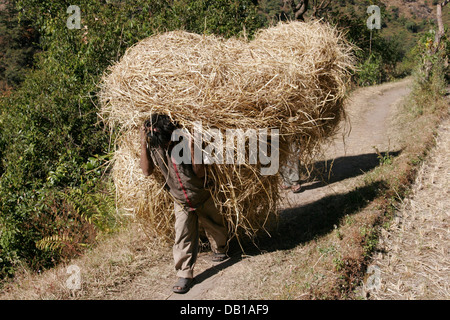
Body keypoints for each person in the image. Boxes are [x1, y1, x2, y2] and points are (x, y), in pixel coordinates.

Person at [139, 114, 229, 294]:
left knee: (217, 227)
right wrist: (143, 144)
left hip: (202, 194)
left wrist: (193, 147)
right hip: (180, 200)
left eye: (165, 143)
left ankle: (221, 247)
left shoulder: (184, 140)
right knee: (182, 235)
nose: (163, 147)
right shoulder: (153, 144)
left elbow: (200, 173)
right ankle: (184, 273)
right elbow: (147, 171)